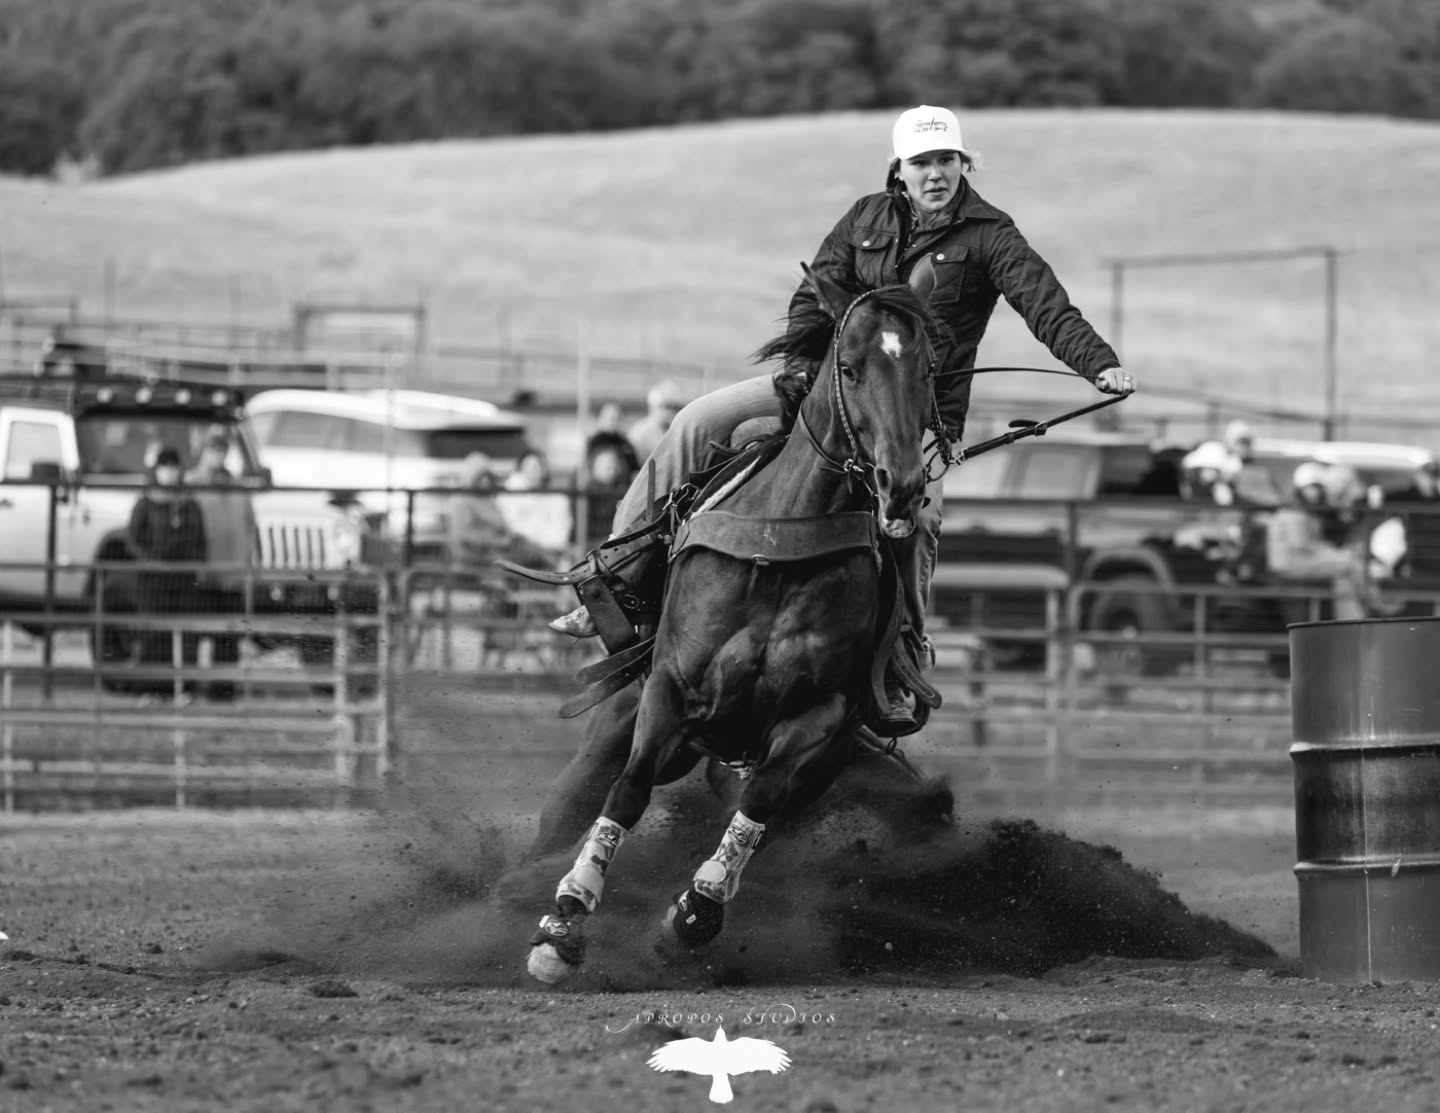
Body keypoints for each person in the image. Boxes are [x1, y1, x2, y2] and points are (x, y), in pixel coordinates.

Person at [550, 104, 1134, 730]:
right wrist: (801, 367)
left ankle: (903, 655)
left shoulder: (992, 234)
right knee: (696, 422)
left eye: (946, 161)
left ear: (964, 164)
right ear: (900, 169)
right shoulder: (864, 218)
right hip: (825, 392)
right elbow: (815, 292)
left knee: (921, 514)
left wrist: (1098, 364)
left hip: (915, 416)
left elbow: (1047, 305)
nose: (935, 174)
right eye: (922, 163)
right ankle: (615, 580)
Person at [127, 446, 208, 692]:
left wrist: (195, 565)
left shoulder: (189, 504)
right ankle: (152, 687)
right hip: (153, 581)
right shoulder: (145, 502)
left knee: (185, 634)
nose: (169, 473)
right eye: (165, 467)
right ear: (156, 470)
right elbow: (132, 540)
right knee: (153, 633)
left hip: (183, 581)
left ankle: (184, 687)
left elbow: (200, 539)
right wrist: (150, 561)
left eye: (173, 467)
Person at [185, 430, 258, 699]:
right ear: (203, 450)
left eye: (221, 448)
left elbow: (250, 528)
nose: (217, 453)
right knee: (195, 634)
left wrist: (246, 562)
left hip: (233, 576)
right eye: (212, 447)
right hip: (203, 576)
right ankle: (190, 686)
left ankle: (223, 689)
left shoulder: (237, 488)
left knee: (229, 637)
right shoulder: (191, 484)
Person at [1265, 461, 1377, 621]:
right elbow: (1302, 545)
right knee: (1348, 563)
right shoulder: (1294, 511)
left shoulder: (1306, 510)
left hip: (1298, 560)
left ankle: (1352, 620)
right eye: (1311, 488)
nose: (1315, 493)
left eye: (1318, 488)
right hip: (1291, 563)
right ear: (1300, 489)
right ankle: (1379, 604)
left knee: (1343, 575)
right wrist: (1335, 552)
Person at [626, 380, 686, 462]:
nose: (673, 412)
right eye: (669, 407)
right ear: (654, 407)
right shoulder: (639, 434)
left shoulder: (679, 431)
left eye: (677, 407)